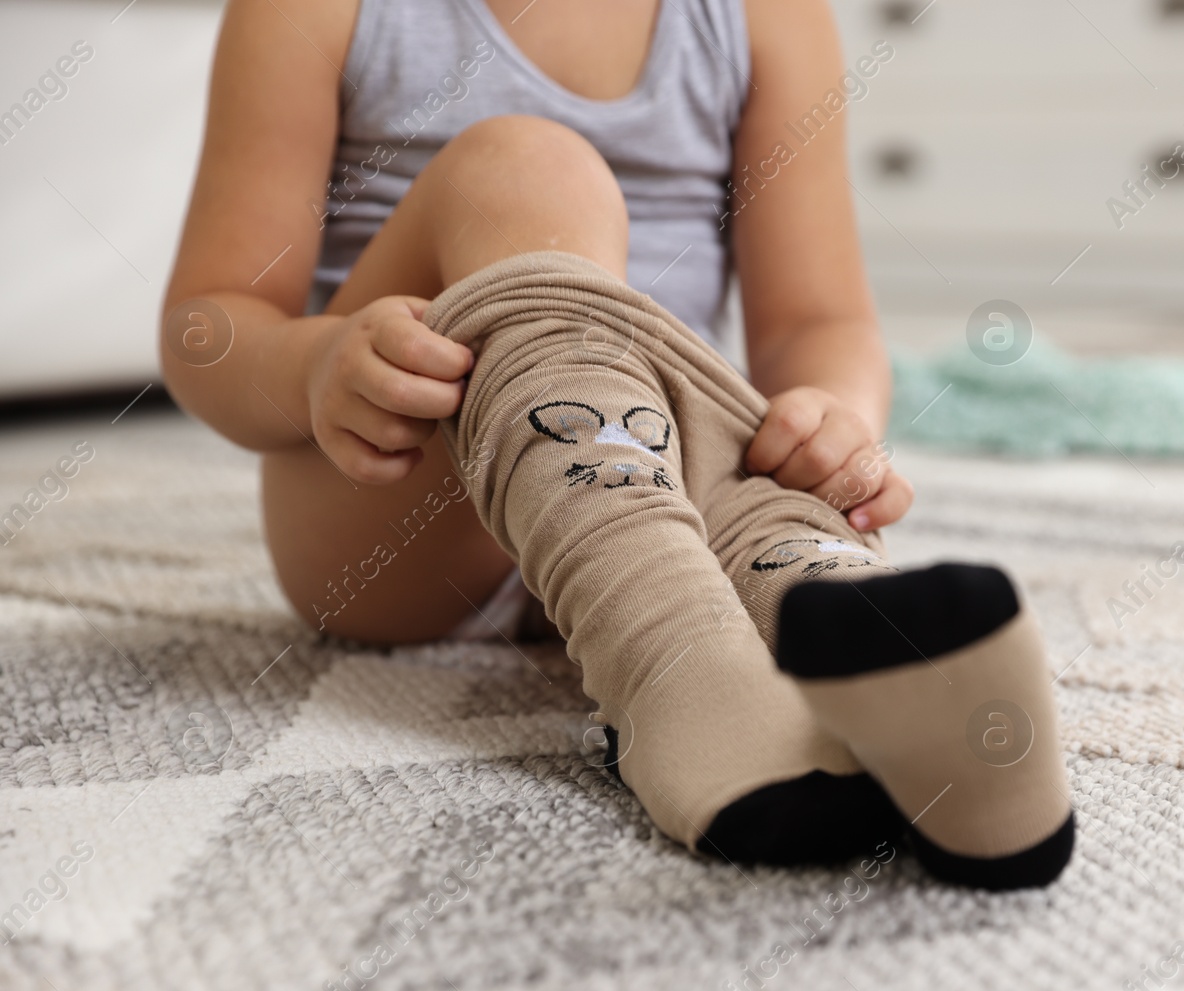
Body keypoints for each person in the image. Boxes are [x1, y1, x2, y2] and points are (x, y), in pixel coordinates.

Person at [162, 0, 1073, 889]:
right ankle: (678, 658)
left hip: (670, 480)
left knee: (760, 450)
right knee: (524, 166)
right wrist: (317, 365)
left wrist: (832, 419)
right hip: (397, 505)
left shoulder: (766, 16)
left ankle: (845, 624)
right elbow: (208, 327)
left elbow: (817, 319)